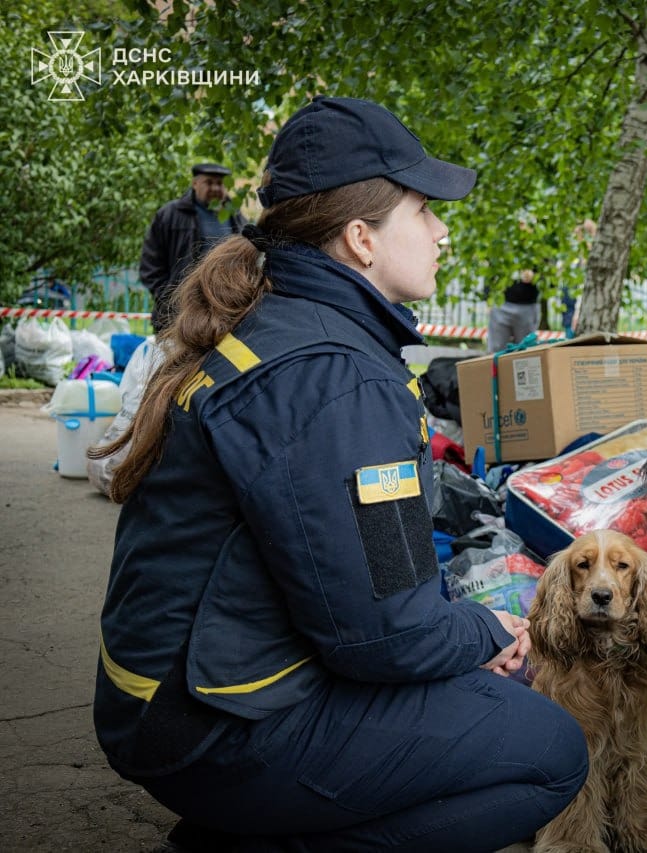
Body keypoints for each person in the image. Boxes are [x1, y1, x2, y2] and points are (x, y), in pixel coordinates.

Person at [91, 96, 588, 852]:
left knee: (488, 689)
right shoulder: (338, 379)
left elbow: (373, 586)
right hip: (212, 726)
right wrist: (487, 625)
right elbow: (385, 638)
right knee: (550, 752)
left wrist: (459, 631)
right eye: (423, 211)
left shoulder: (295, 330)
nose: (441, 231)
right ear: (360, 238)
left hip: (167, 702)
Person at [139, 162, 248, 332]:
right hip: (178, 315)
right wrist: (170, 298)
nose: (215, 188)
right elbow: (150, 264)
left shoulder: (235, 217)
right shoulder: (171, 214)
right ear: (195, 183)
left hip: (225, 313)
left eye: (220, 183)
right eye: (209, 182)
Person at [488, 268, 540, 351]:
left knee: (525, 349)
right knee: (497, 348)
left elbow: (550, 277)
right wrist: (487, 298)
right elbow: (490, 270)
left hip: (527, 306)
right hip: (500, 303)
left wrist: (535, 275)